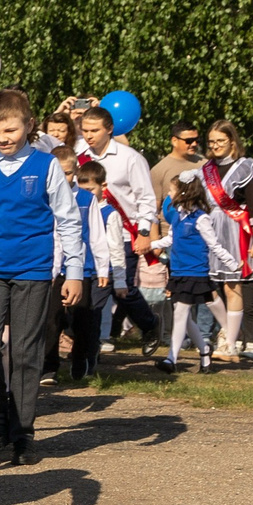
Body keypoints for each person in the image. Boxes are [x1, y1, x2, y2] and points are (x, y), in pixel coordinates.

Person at [0, 89, 84, 462]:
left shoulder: (46, 166)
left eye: (9, 130)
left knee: (26, 352)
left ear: (28, 126)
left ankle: (23, 430)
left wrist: (74, 272)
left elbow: (69, 221)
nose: (2, 138)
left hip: (33, 270)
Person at [74, 104, 162, 353]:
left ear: (109, 129)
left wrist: (144, 232)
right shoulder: (79, 153)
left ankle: (149, 324)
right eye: (85, 130)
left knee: (122, 288)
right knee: (92, 287)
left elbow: (146, 198)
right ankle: (90, 343)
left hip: (123, 231)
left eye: (94, 130)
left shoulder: (130, 158)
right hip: (87, 231)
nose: (89, 135)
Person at [151, 174, 235, 373]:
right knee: (185, 318)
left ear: (183, 192)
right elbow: (170, 239)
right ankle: (205, 351)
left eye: (171, 190)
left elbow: (214, 245)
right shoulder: (178, 214)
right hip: (178, 272)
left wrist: (233, 265)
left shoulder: (201, 218)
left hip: (195, 272)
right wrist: (149, 246)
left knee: (181, 313)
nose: (169, 195)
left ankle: (172, 359)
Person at [202, 121, 253, 359]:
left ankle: (230, 342)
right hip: (209, 229)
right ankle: (228, 332)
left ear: (232, 141)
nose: (215, 145)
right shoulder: (206, 168)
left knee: (232, 286)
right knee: (207, 286)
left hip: (235, 230)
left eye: (220, 141)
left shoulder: (245, 167)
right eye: (212, 141)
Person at [68, 158, 126, 380]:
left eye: (90, 189)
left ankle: (90, 360)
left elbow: (116, 249)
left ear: (103, 187)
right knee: (75, 317)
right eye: (83, 189)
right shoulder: (75, 206)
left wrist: (119, 281)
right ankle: (80, 354)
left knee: (91, 317)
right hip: (79, 271)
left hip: (100, 274)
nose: (87, 194)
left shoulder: (110, 214)